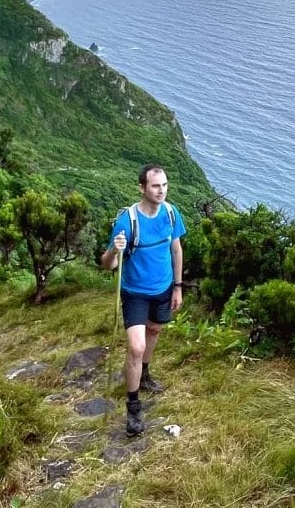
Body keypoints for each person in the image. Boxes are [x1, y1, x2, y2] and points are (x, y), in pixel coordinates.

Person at [101, 164, 186, 436]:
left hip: (162, 288)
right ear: (142, 188)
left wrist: (178, 287)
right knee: (136, 347)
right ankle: (133, 407)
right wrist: (115, 250)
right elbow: (108, 265)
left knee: (155, 330)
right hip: (135, 292)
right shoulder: (127, 221)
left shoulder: (171, 214)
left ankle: (144, 373)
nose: (161, 191)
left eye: (164, 185)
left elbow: (176, 250)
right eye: (155, 186)